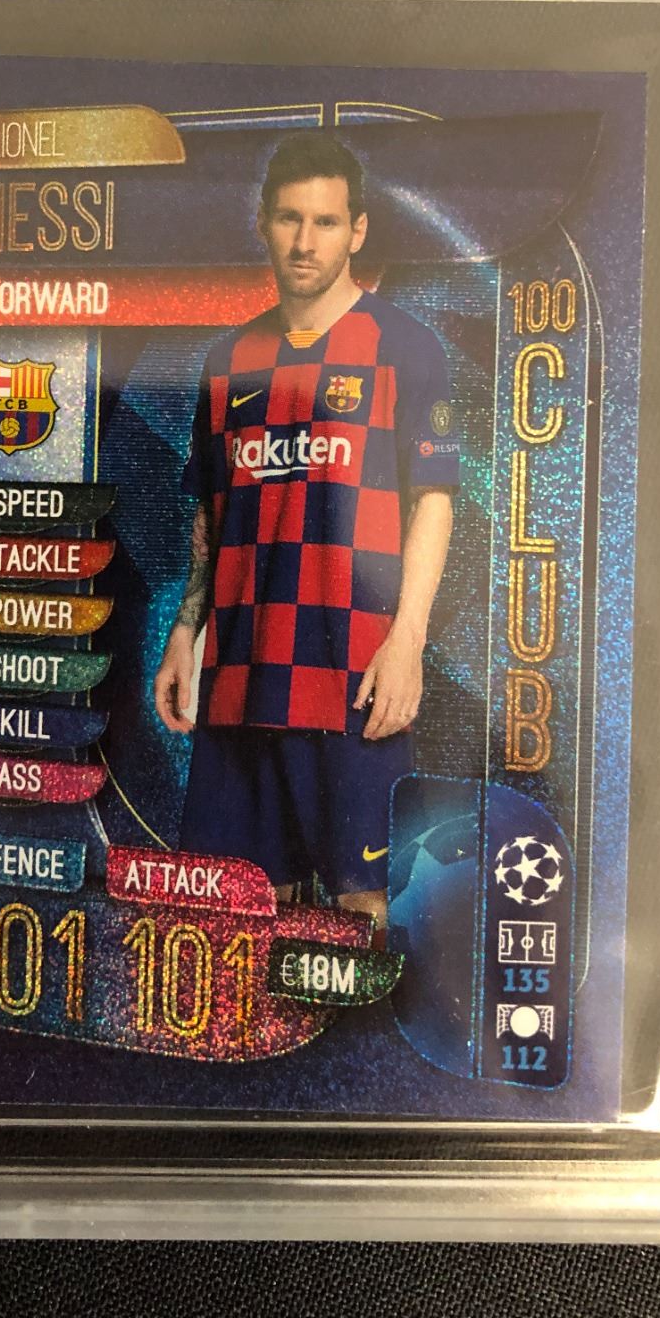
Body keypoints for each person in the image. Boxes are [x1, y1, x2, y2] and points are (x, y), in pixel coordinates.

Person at [153, 134, 457, 932]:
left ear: (357, 230)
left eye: (325, 222)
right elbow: (211, 514)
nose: (304, 241)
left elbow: (433, 501)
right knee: (240, 907)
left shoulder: (403, 345)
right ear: (263, 223)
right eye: (289, 218)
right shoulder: (229, 358)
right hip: (242, 673)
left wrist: (407, 642)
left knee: (366, 906)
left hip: (353, 671)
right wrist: (185, 634)